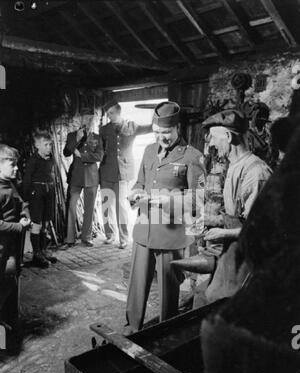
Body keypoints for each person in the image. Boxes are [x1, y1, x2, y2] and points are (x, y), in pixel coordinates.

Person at [172, 109, 272, 303]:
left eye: (214, 139)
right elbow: (239, 217)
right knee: (201, 297)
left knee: (212, 302)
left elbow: (259, 230)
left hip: (250, 261)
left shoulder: (255, 174)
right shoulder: (234, 165)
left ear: (227, 136)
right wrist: (212, 219)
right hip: (234, 251)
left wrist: (222, 233)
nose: (211, 144)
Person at [123, 101, 206, 335]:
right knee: (137, 284)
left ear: (177, 128)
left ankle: (166, 330)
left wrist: (169, 202)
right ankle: (132, 326)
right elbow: (140, 181)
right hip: (144, 229)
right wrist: (134, 193)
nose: (162, 138)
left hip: (172, 234)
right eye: (157, 133)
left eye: (166, 133)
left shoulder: (193, 157)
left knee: (169, 288)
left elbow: (199, 199)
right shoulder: (149, 151)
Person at [99, 99, 152, 249]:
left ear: (119, 111)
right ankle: (110, 235)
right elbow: (99, 150)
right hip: (106, 171)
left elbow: (149, 128)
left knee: (121, 205)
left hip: (123, 172)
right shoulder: (103, 130)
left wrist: (158, 118)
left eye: (111, 113)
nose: (109, 116)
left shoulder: (131, 126)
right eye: (107, 113)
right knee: (106, 204)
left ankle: (124, 238)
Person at [63, 110, 103, 247]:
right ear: (80, 121)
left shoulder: (97, 137)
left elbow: (99, 156)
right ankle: (70, 238)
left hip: (92, 177)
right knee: (72, 207)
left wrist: (81, 156)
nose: (87, 123)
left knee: (89, 208)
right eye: (85, 120)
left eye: (90, 120)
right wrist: (77, 139)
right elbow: (67, 152)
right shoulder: (72, 136)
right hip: (76, 176)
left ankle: (86, 237)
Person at [0, 144, 31, 298]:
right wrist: (19, 226)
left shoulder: (10, 184)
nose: (17, 168)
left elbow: (21, 202)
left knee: (13, 278)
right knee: (6, 281)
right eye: (12, 164)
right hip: (1, 249)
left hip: (13, 244)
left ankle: (9, 318)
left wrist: (24, 214)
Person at [23, 130, 57, 268]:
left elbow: (51, 174)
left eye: (50, 144)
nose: (49, 147)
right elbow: (26, 181)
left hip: (49, 193)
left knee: (46, 222)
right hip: (36, 194)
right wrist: (25, 200)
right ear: (37, 146)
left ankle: (43, 251)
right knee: (36, 224)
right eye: (46, 144)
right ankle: (36, 255)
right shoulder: (33, 160)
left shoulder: (51, 159)